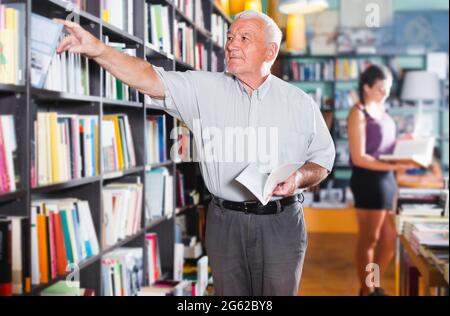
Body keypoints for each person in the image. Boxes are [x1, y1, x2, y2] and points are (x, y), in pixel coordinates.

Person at [56, 10, 335, 296]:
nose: (231, 44)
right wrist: (100, 51)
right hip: (225, 223)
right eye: (229, 37)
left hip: (281, 223)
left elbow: (323, 161)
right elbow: (146, 77)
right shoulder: (203, 88)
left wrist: (299, 177)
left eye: (244, 38)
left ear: (270, 51)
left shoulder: (300, 103)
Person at [347, 65, 416, 296]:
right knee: (370, 239)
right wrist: (394, 165)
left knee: (388, 240)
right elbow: (360, 157)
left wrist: (406, 145)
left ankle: (372, 284)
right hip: (368, 180)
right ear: (366, 87)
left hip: (387, 179)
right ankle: (367, 290)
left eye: (388, 88)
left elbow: (385, 147)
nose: (386, 93)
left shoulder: (383, 110)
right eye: (381, 88)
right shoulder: (358, 112)